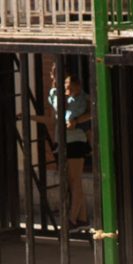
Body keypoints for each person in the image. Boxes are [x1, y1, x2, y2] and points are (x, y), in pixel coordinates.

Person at [43, 71, 91, 233]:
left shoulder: (83, 99)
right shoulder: (58, 94)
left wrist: (77, 121)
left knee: (75, 180)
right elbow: (54, 110)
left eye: (69, 86)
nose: (67, 88)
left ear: (78, 85)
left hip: (76, 141)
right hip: (62, 141)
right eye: (65, 85)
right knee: (72, 181)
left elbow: (91, 113)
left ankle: (72, 219)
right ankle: (83, 219)